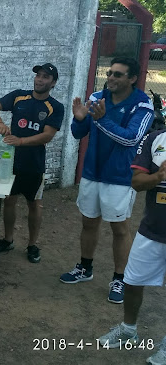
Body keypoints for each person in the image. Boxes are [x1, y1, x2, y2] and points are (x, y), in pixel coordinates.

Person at [60, 57, 154, 304]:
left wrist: (101, 120)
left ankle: (120, 279)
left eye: (118, 75)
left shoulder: (142, 106)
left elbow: (131, 139)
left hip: (120, 177)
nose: (111, 78)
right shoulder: (96, 97)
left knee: (119, 229)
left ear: (132, 79)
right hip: (92, 172)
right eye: (110, 73)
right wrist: (80, 119)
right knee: (88, 223)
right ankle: (85, 268)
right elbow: (79, 134)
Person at [97, 129, 166, 364]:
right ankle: (128, 330)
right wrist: (158, 177)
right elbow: (136, 182)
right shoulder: (155, 138)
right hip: (152, 229)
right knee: (132, 280)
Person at [0, 63, 65, 263]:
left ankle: (32, 244)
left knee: (35, 205)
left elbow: (47, 136)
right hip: (11, 161)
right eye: (38, 75)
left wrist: (21, 141)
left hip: (34, 164)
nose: (40, 79)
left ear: (53, 82)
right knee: (9, 200)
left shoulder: (55, 107)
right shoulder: (19, 96)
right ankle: (8, 239)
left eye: (46, 77)